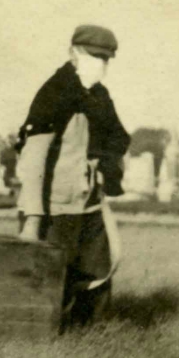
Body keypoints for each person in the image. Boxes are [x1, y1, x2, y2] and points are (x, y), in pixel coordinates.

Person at [16, 25, 130, 331]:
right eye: (94, 56)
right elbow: (34, 157)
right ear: (73, 54)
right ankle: (45, 345)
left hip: (89, 205)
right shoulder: (55, 92)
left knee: (97, 276)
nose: (101, 65)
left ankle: (93, 341)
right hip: (55, 208)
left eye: (106, 59)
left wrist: (106, 170)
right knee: (48, 284)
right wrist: (33, 217)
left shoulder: (98, 96)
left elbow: (117, 138)